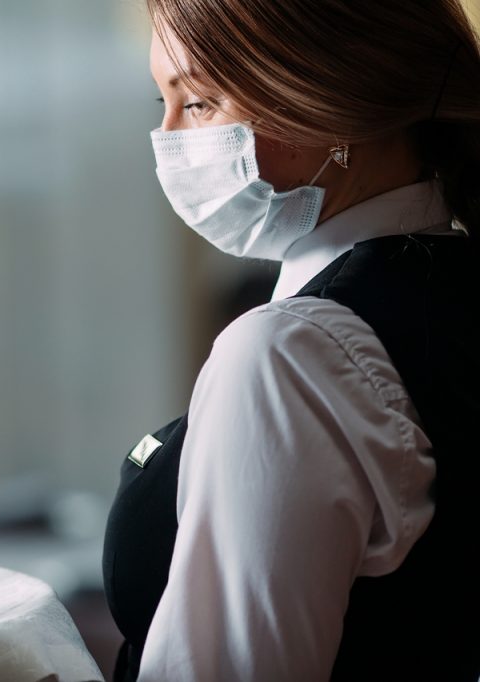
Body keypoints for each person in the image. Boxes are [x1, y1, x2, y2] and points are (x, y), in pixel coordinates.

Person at [102, 1, 480, 680]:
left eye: (199, 103)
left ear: (330, 99)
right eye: (162, 100)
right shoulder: (449, 285)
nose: (164, 140)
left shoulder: (289, 356)